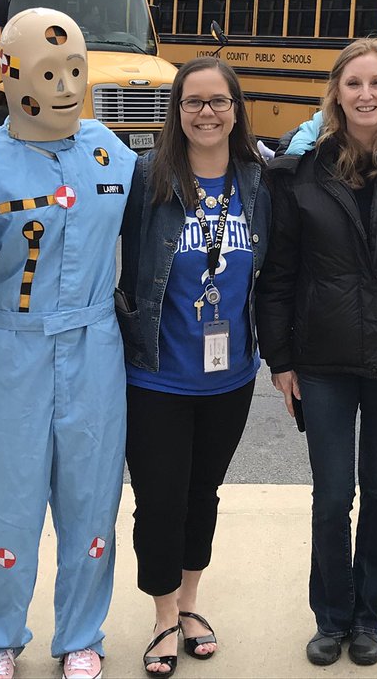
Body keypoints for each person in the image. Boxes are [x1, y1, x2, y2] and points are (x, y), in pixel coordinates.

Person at [0, 8, 136, 679]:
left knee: (91, 497)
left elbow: (176, 190)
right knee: (0, 500)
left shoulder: (110, 151)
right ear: (8, 78)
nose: (67, 86)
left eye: (75, 70)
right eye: (48, 73)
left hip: (94, 347)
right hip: (9, 353)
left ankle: (81, 637)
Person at [256, 39, 377, 667]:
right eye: (354, 84)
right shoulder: (299, 168)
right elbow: (278, 272)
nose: (366, 95)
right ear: (336, 91)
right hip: (322, 357)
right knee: (333, 492)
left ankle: (369, 617)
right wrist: (280, 360)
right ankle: (331, 617)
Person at [118, 57, 269, 677]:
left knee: (202, 493)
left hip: (230, 375)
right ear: (176, 113)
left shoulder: (258, 180)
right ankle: (160, 618)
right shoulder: (147, 178)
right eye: (193, 102)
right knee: (160, 499)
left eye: (218, 101)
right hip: (155, 374)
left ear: (236, 109)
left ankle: (189, 604)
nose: (207, 113)